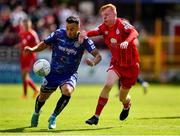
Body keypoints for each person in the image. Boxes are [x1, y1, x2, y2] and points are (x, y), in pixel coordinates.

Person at [24, 16, 102, 129]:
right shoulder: (58, 34)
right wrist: (32, 49)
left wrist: (93, 62)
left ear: (78, 28)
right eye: (68, 28)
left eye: (72, 29)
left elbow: (98, 55)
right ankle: (36, 112)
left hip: (69, 75)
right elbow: (44, 43)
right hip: (52, 73)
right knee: (42, 98)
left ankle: (53, 117)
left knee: (67, 91)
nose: (69, 31)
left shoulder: (83, 39)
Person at [79, 4, 140, 125]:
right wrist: (85, 33)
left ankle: (127, 105)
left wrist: (127, 42)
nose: (104, 18)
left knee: (122, 98)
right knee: (108, 84)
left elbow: (134, 32)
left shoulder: (122, 24)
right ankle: (96, 116)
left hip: (131, 66)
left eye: (107, 15)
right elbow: (96, 31)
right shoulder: (104, 27)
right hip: (117, 64)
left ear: (114, 14)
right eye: (103, 16)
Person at [15, 18, 39, 99]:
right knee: (24, 77)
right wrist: (19, 45)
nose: (26, 25)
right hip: (23, 56)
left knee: (24, 75)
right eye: (24, 24)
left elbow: (37, 45)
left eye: (27, 24)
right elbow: (23, 42)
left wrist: (31, 50)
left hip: (30, 56)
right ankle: (35, 90)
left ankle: (25, 95)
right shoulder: (22, 33)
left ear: (30, 24)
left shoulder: (33, 34)